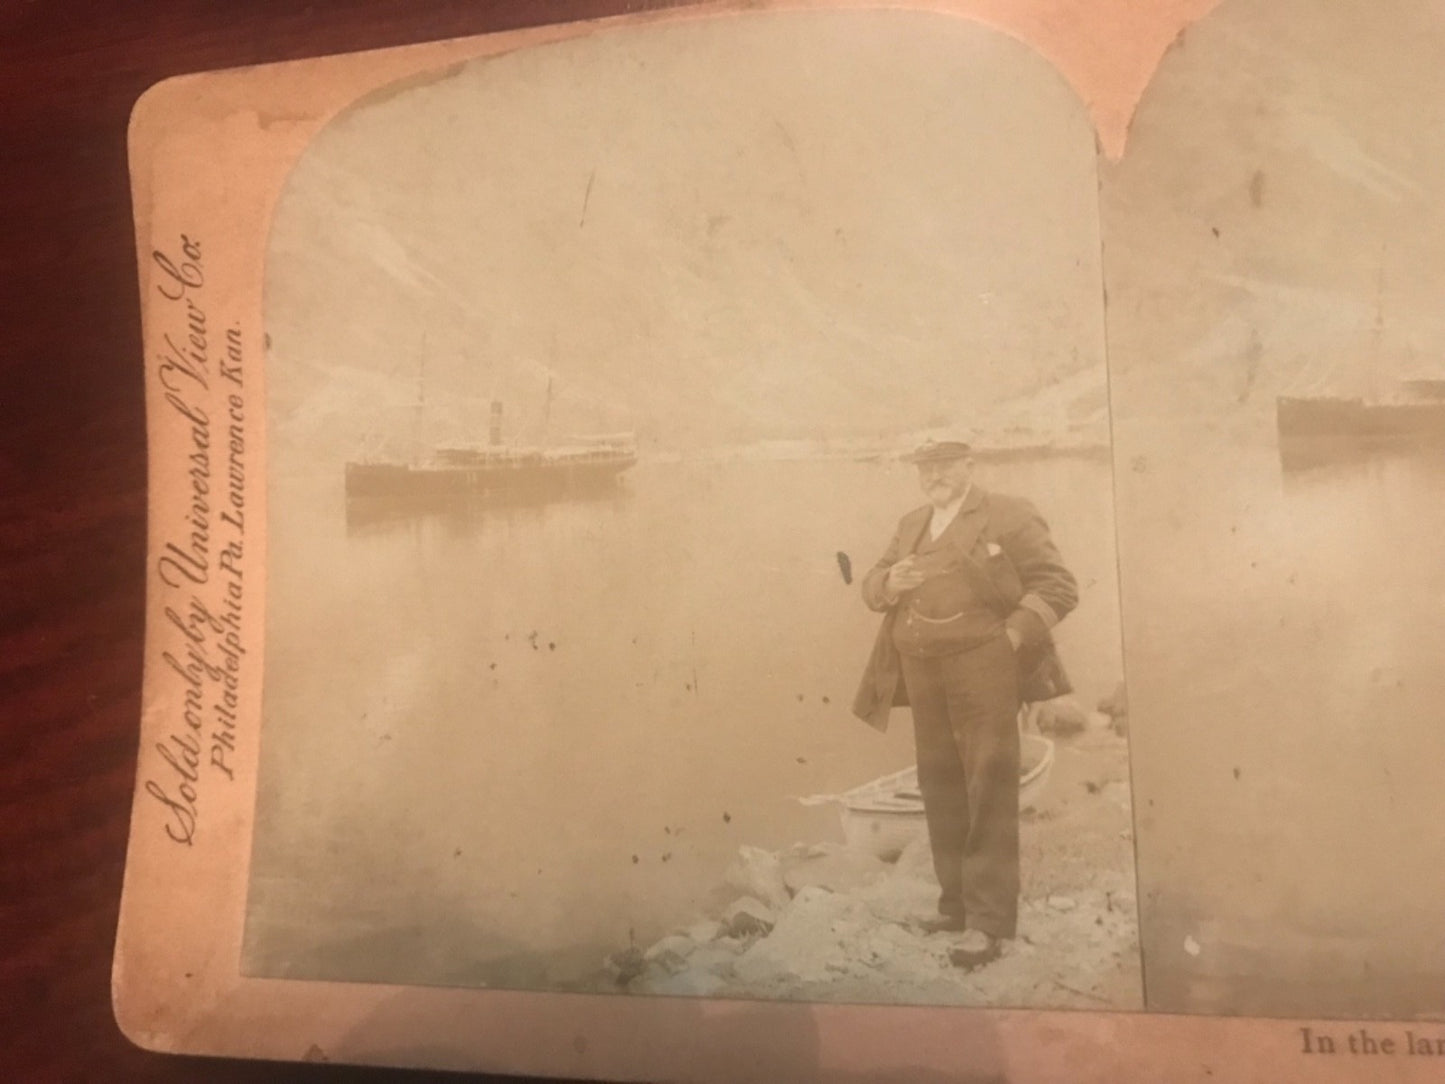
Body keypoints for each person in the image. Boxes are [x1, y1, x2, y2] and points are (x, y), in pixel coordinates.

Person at [852, 437, 1077, 970]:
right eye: (926, 467)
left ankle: (990, 923)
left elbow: (1059, 587)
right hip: (921, 668)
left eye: (946, 465)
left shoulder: (1009, 514)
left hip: (985, 667)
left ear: (970, 466)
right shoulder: (911, 523)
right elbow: (869, 586)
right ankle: (954, 907)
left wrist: (1012, 639)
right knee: (939, 782)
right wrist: (890, 580)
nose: (936, 476)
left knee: (989, 786)